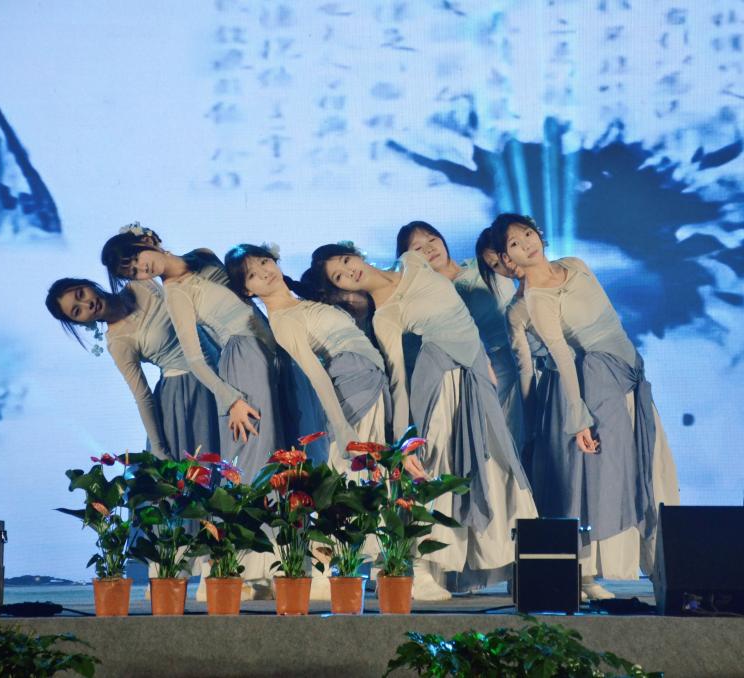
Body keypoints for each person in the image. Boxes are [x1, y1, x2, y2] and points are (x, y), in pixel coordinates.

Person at [312, 242, 537, 600]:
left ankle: (509, 562)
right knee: (440, 466)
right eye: (339, 277)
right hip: (441, 380)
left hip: (474, 373)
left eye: (344, 261)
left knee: (495, 462)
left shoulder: (413, 260)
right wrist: (404, 444)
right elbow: (399, 382)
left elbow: (462, 313)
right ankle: (422, 569)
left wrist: (483, 359)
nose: (349, 271)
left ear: (356, 254)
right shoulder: (385, 316)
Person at [490, 213, 680, 599]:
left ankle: (661, 568)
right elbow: (559, 357)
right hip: (590, 388)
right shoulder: (533, 301)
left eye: (527, 233)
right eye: (514, 244)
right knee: (595, 482)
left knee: (647, 468)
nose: (526, 244)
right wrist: (574, 419)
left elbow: (611, 320)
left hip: (626, 375)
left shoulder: (576, 264)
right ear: (508, 261)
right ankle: (584, 575)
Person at [101, 231, 284, 595]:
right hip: (238, 360)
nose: (140, 269)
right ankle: (244, 566)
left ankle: (267, 566)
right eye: (132, 271)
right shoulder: (174, 294)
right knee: (255, 457)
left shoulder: (203, 255)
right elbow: (195, 359)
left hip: (267, 350)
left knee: (274, 452)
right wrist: (231, 399)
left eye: (136, 259)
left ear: (147, 242)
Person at [224, 243, 391, 469]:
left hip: (367, 381)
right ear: (247, 290)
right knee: (363, 476)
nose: (264, 273)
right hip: (355, 391)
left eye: (264, 262)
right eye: (252, 275)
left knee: (375, 475)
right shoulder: (283, 320)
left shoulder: (301, 302)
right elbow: (315, 375)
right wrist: (342, 429)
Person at [45, 277, 220, 461]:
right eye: (77, 311)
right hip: (190, 392)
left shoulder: (142, 284)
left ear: (88, 284)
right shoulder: (118, 343)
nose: (87, 304)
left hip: (222, 358)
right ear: (80, 323)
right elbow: (142, 397)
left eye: (80, 294)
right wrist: (159, 450)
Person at [395, 222, 525, 451]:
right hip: (489, 372)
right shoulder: (424, 298)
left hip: (530, 354)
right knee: (505, 443)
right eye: (417, 248)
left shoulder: (482, 263)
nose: (429, 248)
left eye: (432, 239)